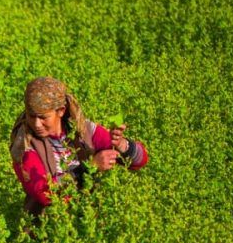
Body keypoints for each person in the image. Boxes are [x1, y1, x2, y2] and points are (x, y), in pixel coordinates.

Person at [10, 76, 148, 216]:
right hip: (50, 228)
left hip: (91, 221)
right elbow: (46, 195)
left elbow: (140, 161)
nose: (36, 124)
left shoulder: (84, 131)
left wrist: (121, 144)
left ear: (61, 111)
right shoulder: (25, 146)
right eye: (31, 116)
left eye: (43, 117)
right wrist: (90, 168)